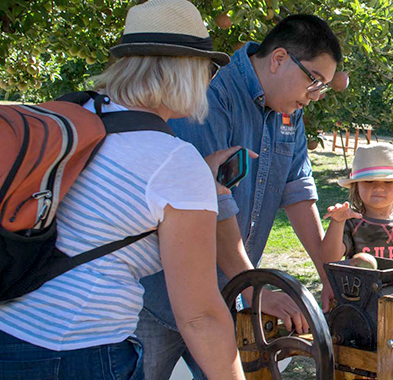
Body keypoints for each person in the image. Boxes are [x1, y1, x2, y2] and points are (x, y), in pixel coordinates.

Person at [0, 1, 247, 379]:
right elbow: (199, 316)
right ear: (187, 71)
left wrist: (196, 183)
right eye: (209, 70)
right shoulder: (176, 162)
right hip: (74, 353)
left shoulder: (82, 116)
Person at [137, 13, 343, 380]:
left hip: (225, 298)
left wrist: (328, 277)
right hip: (159, 297)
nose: (313, 97)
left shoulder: (288, 113)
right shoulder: (211, 95)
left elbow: (297, 192)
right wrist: (254, 287)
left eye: (322, 87)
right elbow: (209, 202)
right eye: (314, 81)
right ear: (279, 59)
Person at [321, 142, 393, 312]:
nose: (378, 187)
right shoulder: (352, 222)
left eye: (388, 182)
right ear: (356, 186)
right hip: (361, 305)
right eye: (369, 181)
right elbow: (328, 259)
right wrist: (337, 222)